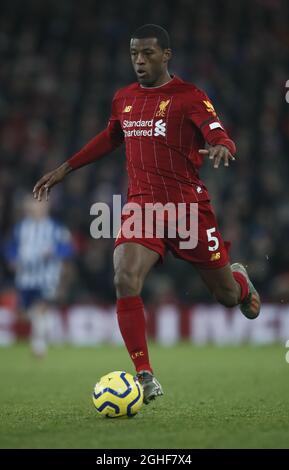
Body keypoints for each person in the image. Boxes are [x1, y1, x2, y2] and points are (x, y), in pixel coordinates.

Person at [33, 24, 261, 402]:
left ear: (166, 55)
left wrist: (223, 145)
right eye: (134, 54)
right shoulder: (123, 98)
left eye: (148, 54)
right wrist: (64, 169)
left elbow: (217, 131)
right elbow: (109, 137)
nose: (139, 61)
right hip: (142, 207)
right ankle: (144, 374)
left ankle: (238, 280)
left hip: (189, 211)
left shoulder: (189, 96)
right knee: (124, 275)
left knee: (226, 297)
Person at [4, 195, 74, 356]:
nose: (36, 208)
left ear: (46, 207)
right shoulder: (20, 228)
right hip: (25, 278)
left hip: (48, 277)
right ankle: (45, 328)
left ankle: (38, 345)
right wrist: (12, 260)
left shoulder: (55, 228)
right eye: (33, 205)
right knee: (26, 314)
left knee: (41, 307)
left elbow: (68, 248)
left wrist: (54, 252)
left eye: (39, 205)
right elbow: (10, 247)